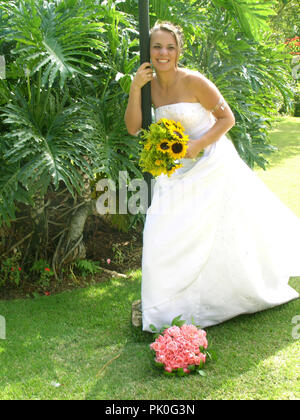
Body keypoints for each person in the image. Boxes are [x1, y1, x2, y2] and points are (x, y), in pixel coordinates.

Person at [125, 22, 300, 332]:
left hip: (210, 163)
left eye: (169, 47)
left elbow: (226, 118)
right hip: (175, 171)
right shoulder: (149, 85)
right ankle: (166, 307)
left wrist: (197, 145)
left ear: (178, 51)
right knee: (160, 232)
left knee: (215, 234)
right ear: (149, 50)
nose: (162, 53)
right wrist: (135, 89)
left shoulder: (194, 82)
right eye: (156, 47)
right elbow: (134, 127)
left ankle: (216, 299)